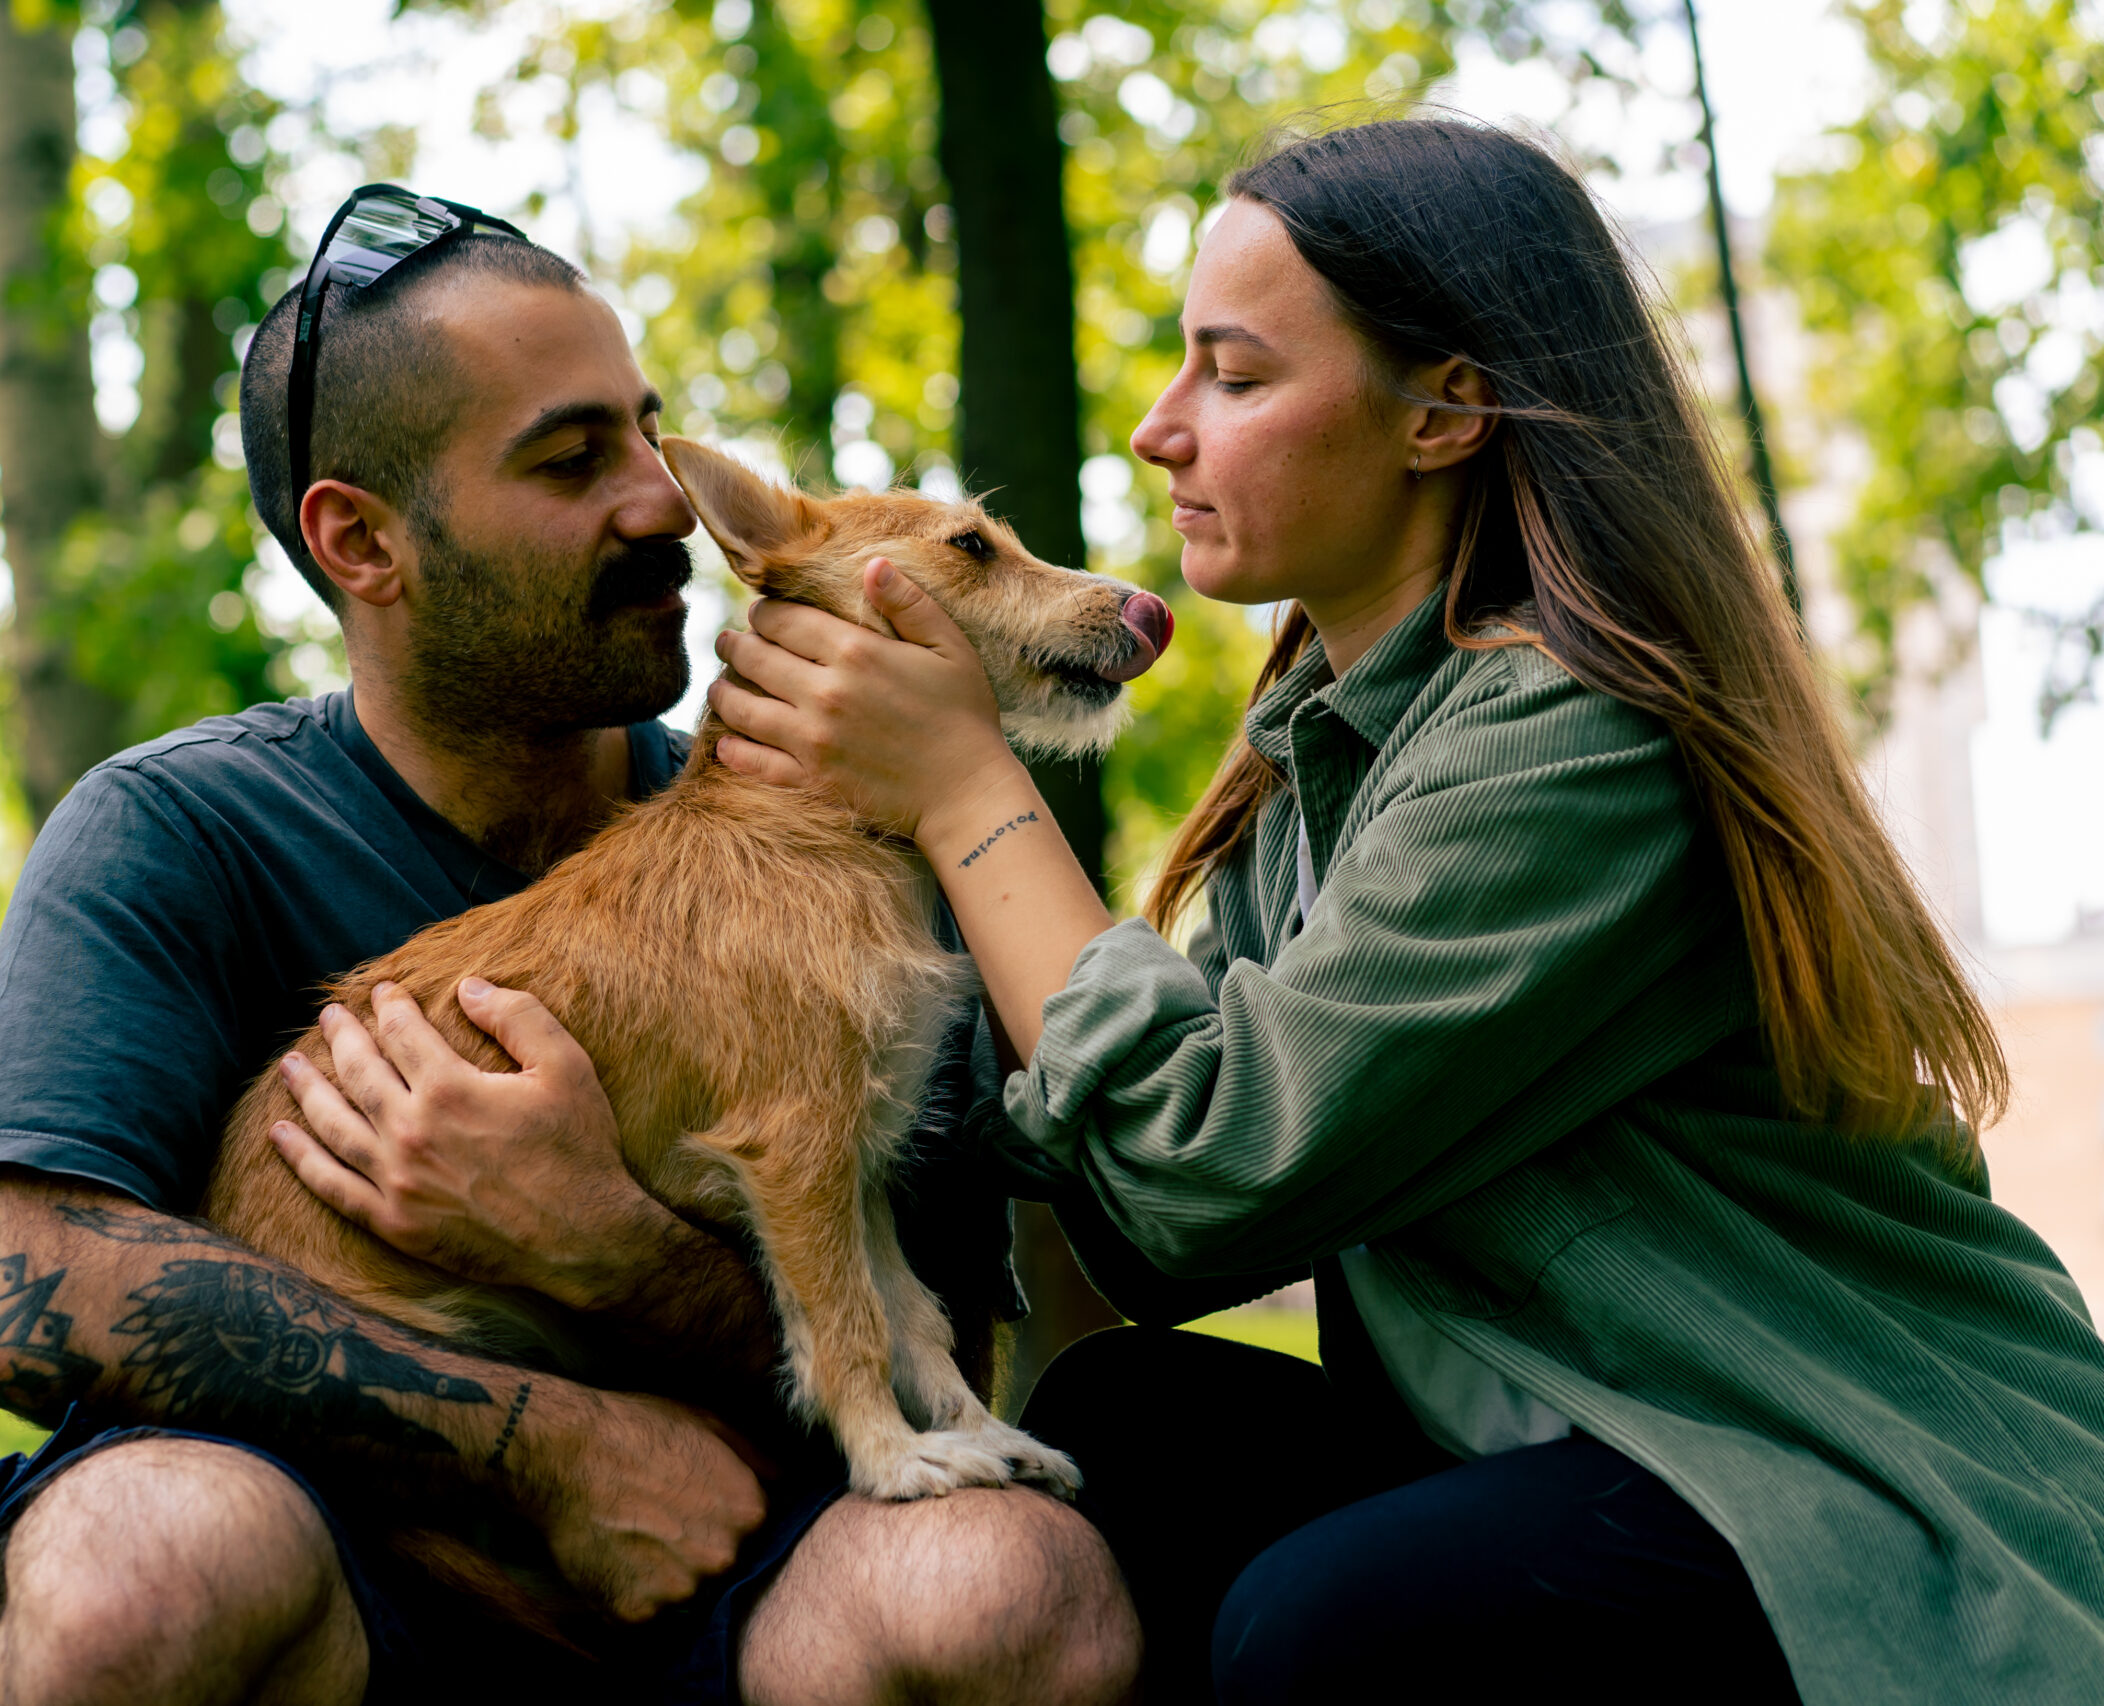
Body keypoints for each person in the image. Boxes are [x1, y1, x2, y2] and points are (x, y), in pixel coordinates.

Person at [701, 119, 2104, 1705]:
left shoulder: (1576, 737)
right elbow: (1129, 1210)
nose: (1161, 432)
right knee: (1117, 1434)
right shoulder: (1324, 762)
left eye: (1233, 377)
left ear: (1444, 409)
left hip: (1844, 1478)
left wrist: (964, 789)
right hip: (1579, 1439)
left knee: (1335, 1622)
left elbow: (1201, 1173)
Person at [0, 194, 1139, 1706]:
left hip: (734, 1578)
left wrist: (607, 1239)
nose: (664, 502)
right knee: (145, 1557)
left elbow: (949, 1362)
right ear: (364, 542)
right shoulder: (175, 825)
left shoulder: (849, 841)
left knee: (1015, 1585)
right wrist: (550, 1443)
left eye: (652, 438)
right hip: (332, 1565)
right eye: (569, 458)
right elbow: (19, 1283)